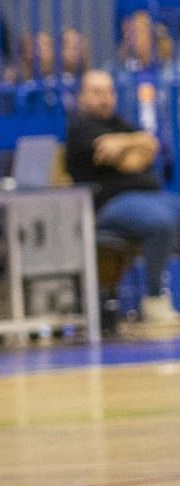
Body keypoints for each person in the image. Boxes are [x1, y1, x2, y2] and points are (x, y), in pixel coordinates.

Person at [66, 69, 180, 329]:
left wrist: (124, 145)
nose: (104, 98)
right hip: (109, 204)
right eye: (96, 92)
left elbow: (148, 147)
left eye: (108, 91)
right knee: (160, 222)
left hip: (149, 196)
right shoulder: (80, 129)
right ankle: (154, 299)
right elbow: (128, 154)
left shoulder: (119, 123)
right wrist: (136, 146)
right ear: (82, 97)